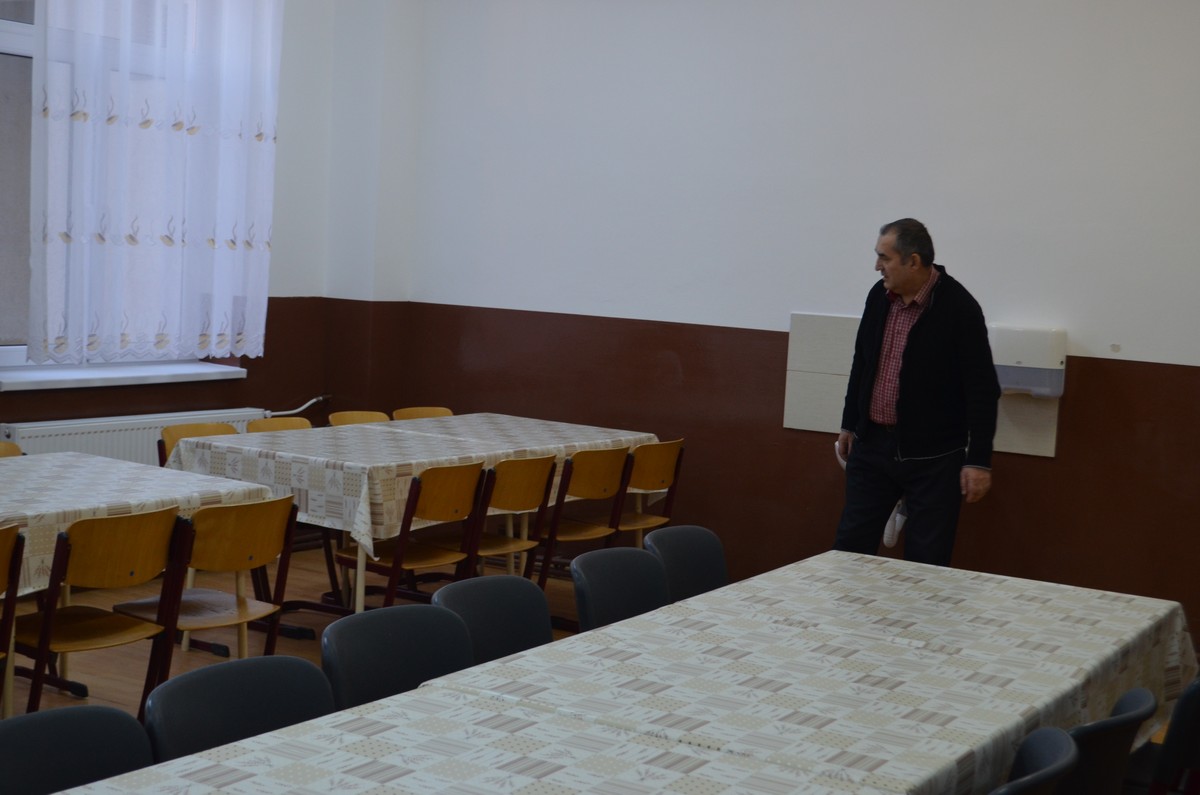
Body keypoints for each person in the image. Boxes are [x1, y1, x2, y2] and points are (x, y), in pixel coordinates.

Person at [834, 218, 1000, 566]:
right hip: (873, 445)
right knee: (849, 548)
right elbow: (862, 363)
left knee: (927, 562)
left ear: (913, 261)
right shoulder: (878, 297)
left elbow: (983, 388)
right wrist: (850, 423)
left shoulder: (959, 308)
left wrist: (978, 459)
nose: (877, 266)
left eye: (884, 257)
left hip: (934, 458)